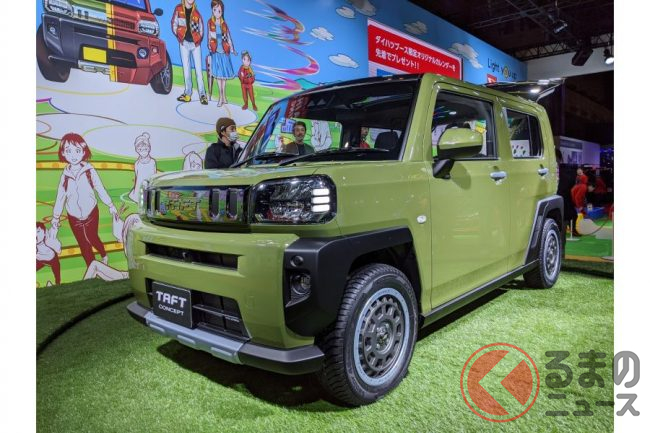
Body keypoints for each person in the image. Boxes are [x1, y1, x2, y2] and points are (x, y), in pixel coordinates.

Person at [51, 133, 117, 266]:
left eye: (77, 150)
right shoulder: (65, 176)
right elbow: (60, 198)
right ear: (63, 153)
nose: (73, 155)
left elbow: (100, 188)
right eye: (68, 151)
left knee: (92, 237)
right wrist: (55, 217)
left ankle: (103, 255)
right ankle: (91, 267)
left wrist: (110, 205)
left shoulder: (89, 171)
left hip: (91, 212)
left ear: (83, 152)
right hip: (73, 216)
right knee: (83, 244)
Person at [172, 0, 208, 104]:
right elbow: (174, 23)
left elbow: (201, 29)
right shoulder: (178, 9)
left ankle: (202, 95)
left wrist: (197, 40)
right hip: (184, 43)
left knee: (199, 70)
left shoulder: (196, 13)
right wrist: (180, 37)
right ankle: (187, 94)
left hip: (195, 45)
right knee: (186, 69)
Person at [207, 0, 237, 107]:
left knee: (223, 76)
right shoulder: (210, 23)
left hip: (224, 52)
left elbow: (228, 38)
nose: (216, 12)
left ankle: (223, 96)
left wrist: (232, 49)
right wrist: (209, 46)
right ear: (212, 10)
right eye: (214, 10)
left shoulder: (224, 24)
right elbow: (209, 36)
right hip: (216, 52)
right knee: (218, 76)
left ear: (222, 11)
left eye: (219, 10)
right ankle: (220, 97)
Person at [128, 132, 157, 202]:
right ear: (137, 150)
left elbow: (154, 175)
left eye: (145, 149)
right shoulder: (137, 163)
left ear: (149, 148)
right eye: (140, 149)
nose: (143, 152)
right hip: (139, 186)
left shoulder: (152, 162)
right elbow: (136, 175)